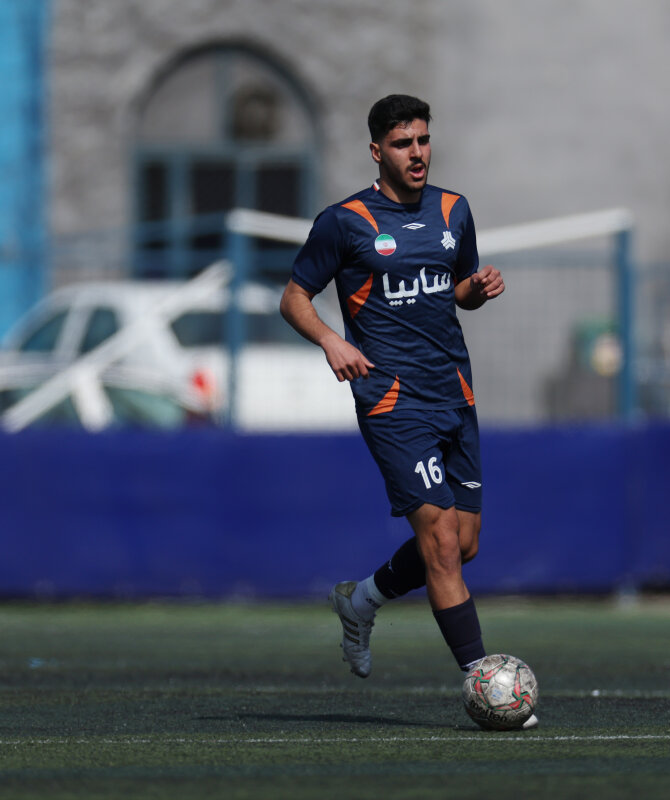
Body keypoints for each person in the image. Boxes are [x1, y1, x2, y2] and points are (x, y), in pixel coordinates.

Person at [280, 94, 528, 724]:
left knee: (464, 544)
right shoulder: (345, 222)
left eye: (422, 140)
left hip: (454, 391)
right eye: (402, 143)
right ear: (376, 151)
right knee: (440, 542)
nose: (417, 153)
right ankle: (486, 684)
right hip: (392, 399)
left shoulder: (454, 210)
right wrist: (332, 340)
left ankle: (361, 600)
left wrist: (478, 288)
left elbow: (457, 290)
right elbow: (293, 298)